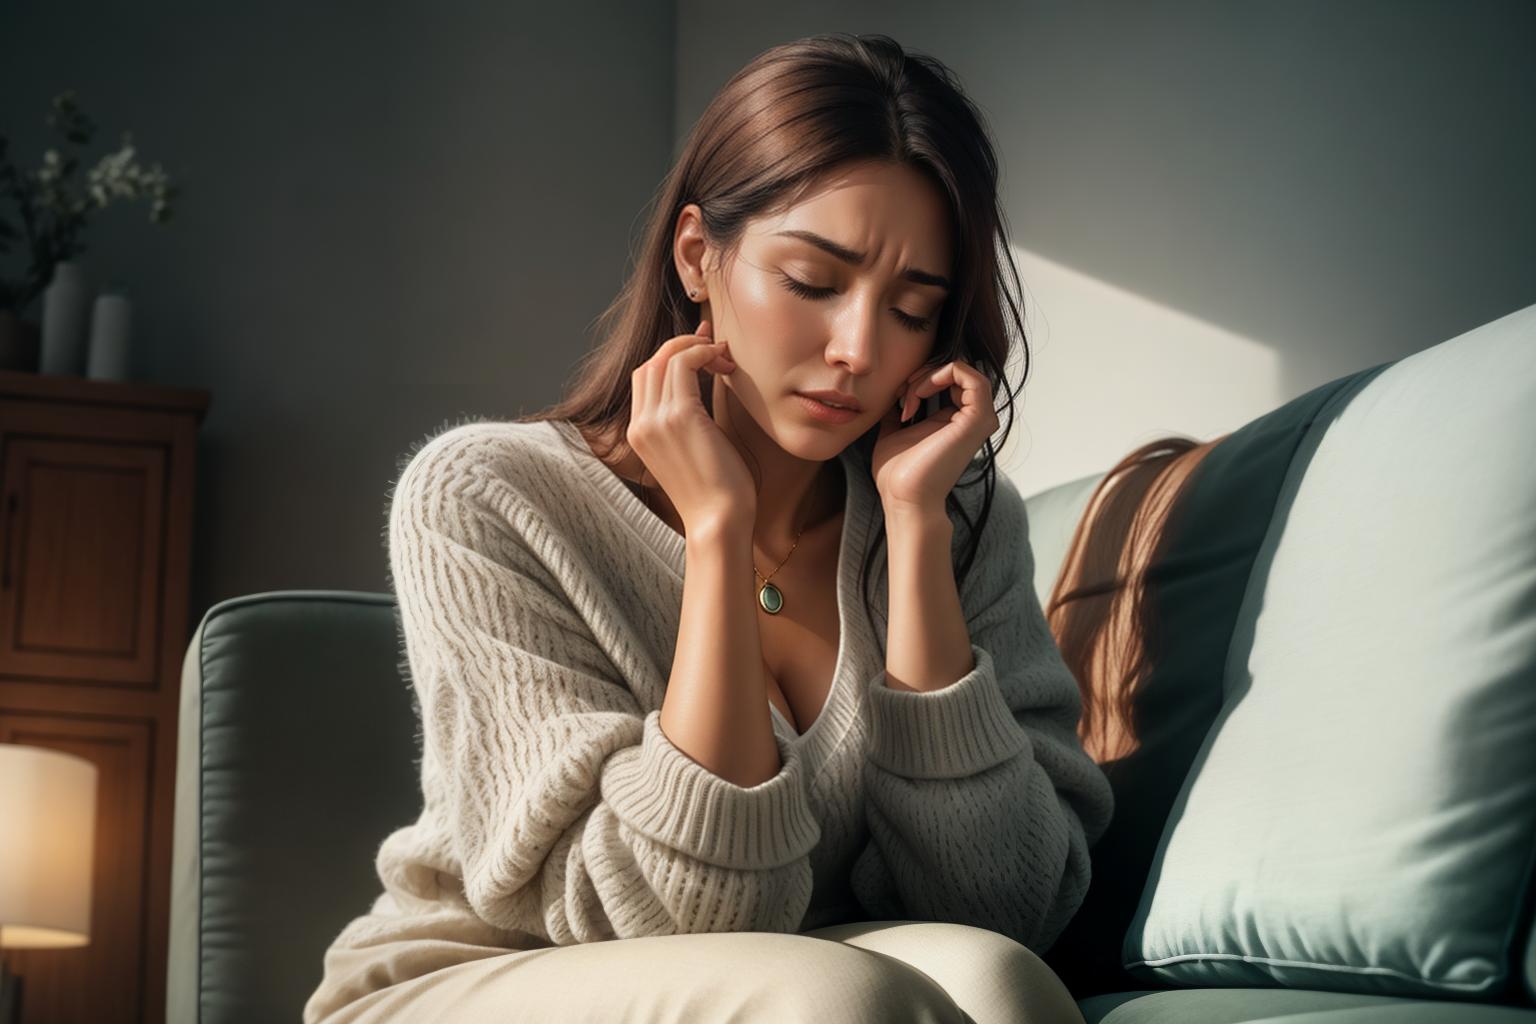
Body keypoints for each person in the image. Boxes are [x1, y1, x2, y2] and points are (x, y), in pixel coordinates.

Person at [304, 31, 1114, 1024]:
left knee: (1001, 982)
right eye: (814, 282)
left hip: (790, 969)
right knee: (833, 997)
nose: (860, 349)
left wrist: (914, 540)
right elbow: (657, 912)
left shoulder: (952, 510)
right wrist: (719, 535)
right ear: (699, 256)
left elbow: (1002, 902)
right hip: (481, 975)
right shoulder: (484, 495)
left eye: (910, 308)